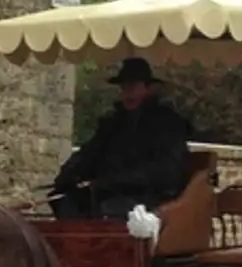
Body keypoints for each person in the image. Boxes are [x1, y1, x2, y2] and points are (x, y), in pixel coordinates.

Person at [51, 57, 193, 218]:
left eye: (133, 87)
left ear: (147, 89)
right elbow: (90, 152)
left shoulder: (167, 124)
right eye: (124, 88)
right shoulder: (113, 123)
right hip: (109, 192)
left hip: (151, 196)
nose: (127, 93)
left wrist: (117, 180)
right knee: (66, 201)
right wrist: (68, 174)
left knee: (111, 208)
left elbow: (166, 171)